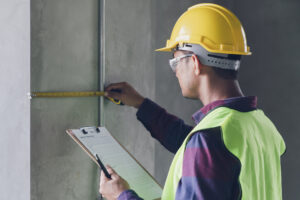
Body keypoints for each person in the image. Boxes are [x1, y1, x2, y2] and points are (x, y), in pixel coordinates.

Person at [99, 3, 286, 200]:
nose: (175, 71)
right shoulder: (259, 125)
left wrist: (121, 196)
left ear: (195, 63)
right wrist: (139, 103)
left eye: (176, 61)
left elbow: (203, 147)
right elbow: (188, 142)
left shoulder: (210, 138)